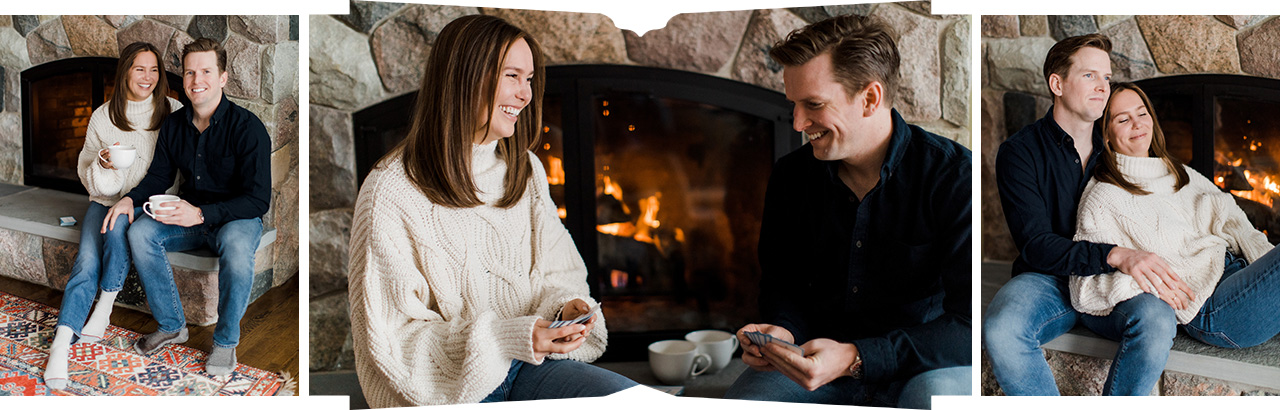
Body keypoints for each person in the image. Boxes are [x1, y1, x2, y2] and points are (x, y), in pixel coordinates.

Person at [346, 15, 637, 407]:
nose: (526, 95)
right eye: (512, 76)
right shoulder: (391, 190)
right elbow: (393, 340)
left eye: (530, 79)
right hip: (447, 391)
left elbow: (559, 273)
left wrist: (565, 308)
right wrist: (507, 337)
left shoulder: (525, 170)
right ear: (464, 78)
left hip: (532, 366)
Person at [722, 14, 972, 409]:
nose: (799, 123)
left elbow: (969, 326)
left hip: (922, 367)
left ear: (870, 98)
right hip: (812, 368)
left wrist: (857, 356)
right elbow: (781, 285)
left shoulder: (955, 177)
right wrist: (782, 334)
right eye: (794, 106)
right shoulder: (791, 177)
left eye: (814, 105)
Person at [985, 34, 1192, 396]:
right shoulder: (1020, 152)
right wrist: (1115, 254)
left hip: (1113, 283)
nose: (1103, 87)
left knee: (1157, 320)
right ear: (1057, 83)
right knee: (1002, 328)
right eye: (1090, 76)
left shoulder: (1117, 145)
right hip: (1048, 280)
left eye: (1107, 78)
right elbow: (1036, 245)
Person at [1073, 82, 1280, 356]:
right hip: (1211, 307)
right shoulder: (1103, 197)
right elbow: (1083, 286)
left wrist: (1265, 262)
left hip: (1238, 272)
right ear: (1106, 135)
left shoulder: (1178, 172)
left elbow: (1233, 219)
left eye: (1142, 113)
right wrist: (1152, 287)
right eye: (1123, 119)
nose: (1137, 124)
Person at [104, 37, 271, 376]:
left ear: (223, 77)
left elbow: (257, 200)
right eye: (190, 73)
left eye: (206, 71)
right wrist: (127, 200)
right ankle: (171, 326)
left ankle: (225, 342)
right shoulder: (175, 125)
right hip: (190, 217)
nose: (197, 81)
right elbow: (158, 177)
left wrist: (201, 214)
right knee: (140, 232)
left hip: (236, 217)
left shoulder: (248, 128)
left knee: (238, 251)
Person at [43, 41, 182, 390]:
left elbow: (175, 174)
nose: (147, 77)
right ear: (125, 73)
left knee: (121, 221)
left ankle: (103, 307)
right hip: (103, 201)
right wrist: (103, 164)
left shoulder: (174, 112)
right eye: (139, 69)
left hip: (149, 204)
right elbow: (93, 178)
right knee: (87, 259)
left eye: (154, 70)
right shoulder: (103, 116)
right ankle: (61, 344)